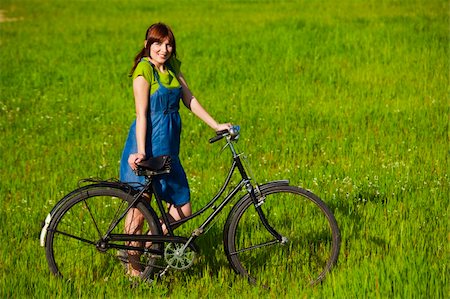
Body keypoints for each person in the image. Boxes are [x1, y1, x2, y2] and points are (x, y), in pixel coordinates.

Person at [119, 22, 231, 277]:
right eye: (158, 43)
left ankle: (148, 246)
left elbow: (189, 99)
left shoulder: (172, 67)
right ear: (148, 43)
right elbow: (141, 114)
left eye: (169, 44)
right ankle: (135, 276)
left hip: (169, 149)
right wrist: (139, 152)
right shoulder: (143, 71)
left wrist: (216, 125)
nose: (164, 49)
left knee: (183, 207)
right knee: (139, 211)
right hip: (146, 147)